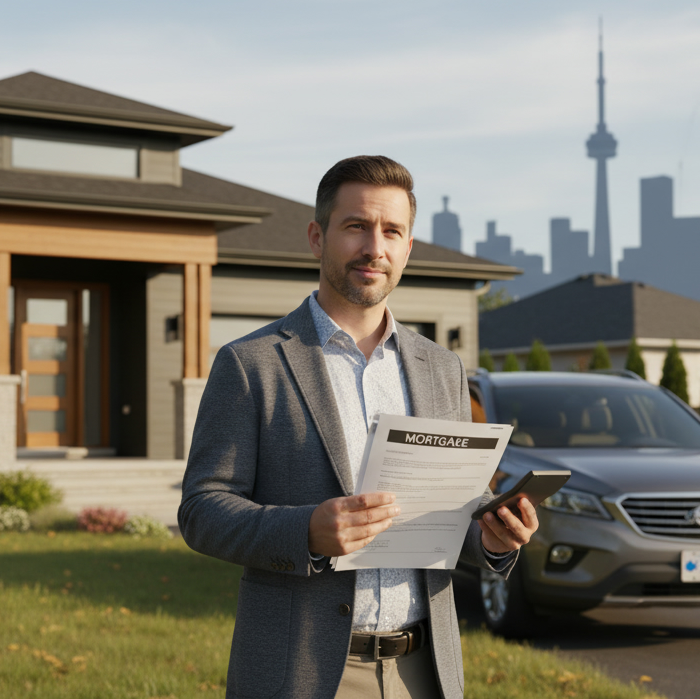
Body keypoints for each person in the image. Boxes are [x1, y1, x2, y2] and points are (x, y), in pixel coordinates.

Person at [179, 155, 539, 699]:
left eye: (392, 231)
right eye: (357, 227)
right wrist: (305, 532)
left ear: (408, 249)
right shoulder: (252, 364)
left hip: (425, 671)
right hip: (302, 673)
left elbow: (454, 513)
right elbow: (203, 509)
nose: (375, 247)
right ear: (317, 237)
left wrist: (492, 538)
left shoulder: (443, 370)